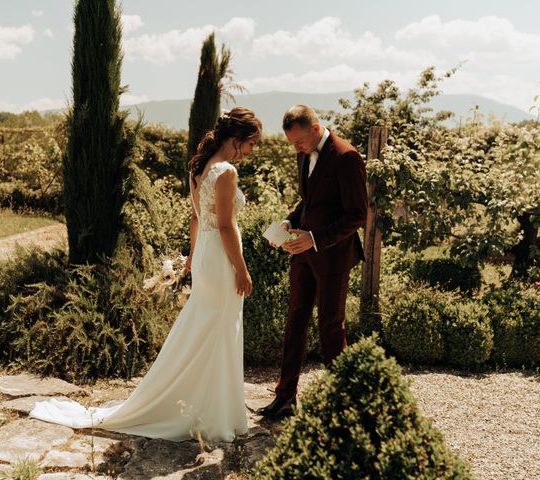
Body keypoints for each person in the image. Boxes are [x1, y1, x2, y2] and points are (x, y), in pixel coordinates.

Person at [30, 107, 262, 442]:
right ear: (239, 140)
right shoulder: (225, 171)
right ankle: (212, 413)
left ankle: (207, 407)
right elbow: (226, 225)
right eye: (252, 144)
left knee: (206, 329)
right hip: (221, 259)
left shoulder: (199, 169)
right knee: (219, 329)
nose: (252, 151)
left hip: (206, 257)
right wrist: (242, 270)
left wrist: (192, 260)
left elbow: (197, 220)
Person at [257, 105, 367, 419]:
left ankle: (340, 403)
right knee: (295, 321)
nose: (297, 148)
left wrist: (316, 238)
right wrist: (289, 222)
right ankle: (285, 396)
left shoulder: (347, 157)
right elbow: (310, 202)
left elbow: (357, 215)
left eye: (300, 142)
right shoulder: (304, 153)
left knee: (331, 327)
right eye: (293, 143)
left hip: (333, 256)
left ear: (316, 128)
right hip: (303, 254)